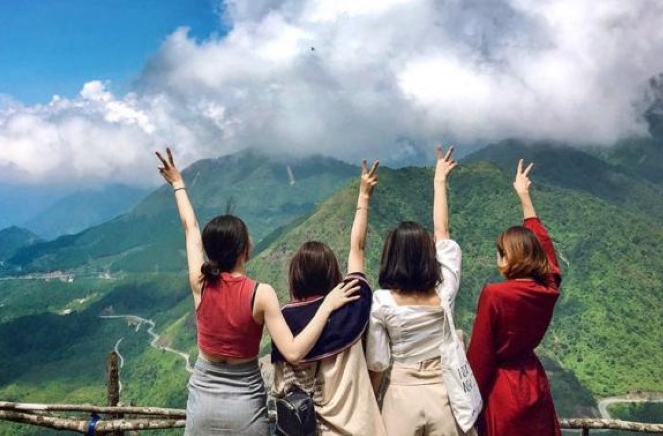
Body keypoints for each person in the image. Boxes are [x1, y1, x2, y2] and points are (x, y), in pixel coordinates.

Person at [155, 148, 360, 436]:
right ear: (243, 250)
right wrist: (327, 306)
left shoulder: (200, 283)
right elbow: (293, 352)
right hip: (245, 406)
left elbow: (190, 229)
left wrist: (178, 184)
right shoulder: (261, 294)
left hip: (202, 402)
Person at [271, 160, 388, 436]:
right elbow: (357, 248)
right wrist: (363, 196)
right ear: (333, 273)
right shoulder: (351, 304)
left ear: (295, 278)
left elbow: (279, 387)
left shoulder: (286, 320)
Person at [366, 146, 475, 435]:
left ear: (390, 257)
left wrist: (370, 408)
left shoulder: (382, 302)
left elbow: (377, 362)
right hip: (446, 397)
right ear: (429, 256)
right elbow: (443, 233)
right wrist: (439, 181)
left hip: (401, 400)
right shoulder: (445, 292)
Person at [466, 160, 563, 436]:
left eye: (501, 253)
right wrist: (524, 198)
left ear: (509, 259)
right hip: (534, 385)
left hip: (503, 391)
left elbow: (480, 358)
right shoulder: (547, 291)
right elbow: (547, 253)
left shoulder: (494, 295)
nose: (498, 260)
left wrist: (470, 405)